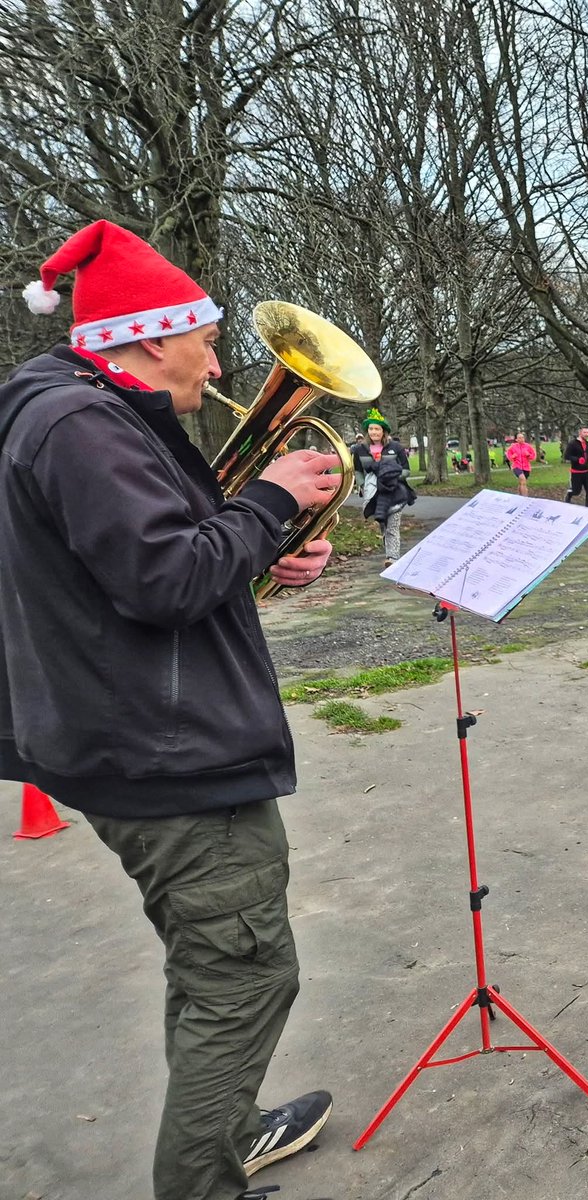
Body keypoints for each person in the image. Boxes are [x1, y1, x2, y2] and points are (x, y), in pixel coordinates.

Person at [2, 221, 336, 1200]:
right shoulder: (82, 426)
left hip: (141, 737)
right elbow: (161, 577)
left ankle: (229, 1127)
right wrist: (270, 503)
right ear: (152, 339)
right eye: (208, 338)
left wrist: (264, 547)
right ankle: (204, 1179)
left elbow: (154, 561)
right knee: (244, 981)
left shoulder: (79, 413)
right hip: (165, 758)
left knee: (209, 970)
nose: (223, 360)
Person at [353, 407, 412, 563]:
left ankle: (392, 558)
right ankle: (390, 552)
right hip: (374, 493)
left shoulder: (396, 448)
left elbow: (406, 470)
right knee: (383, 524)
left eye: (377, 429)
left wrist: (392, 477)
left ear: (383, 431)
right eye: (371, 429)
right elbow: (358, 471)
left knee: (393, 526)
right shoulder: (360, 450)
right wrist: (362, 485)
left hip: (395, 491)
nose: (374, 432)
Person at [564, 424, 588, 505]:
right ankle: (569, 495)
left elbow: (587, 455)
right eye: (584, 432)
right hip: (576, 472)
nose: (586, 434)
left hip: (587, 471)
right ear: (580, 433)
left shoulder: (587, 444)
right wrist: (577, 459)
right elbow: (567, 456)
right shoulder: (572, 444)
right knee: (576, 491)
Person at [505, 430, 537, 496]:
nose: (521, 439)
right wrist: (512, 456)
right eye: (519, 438)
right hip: (517, 466)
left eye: (522, 437)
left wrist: (528, 455)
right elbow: (508, 455)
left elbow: (533, 456)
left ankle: (519, 496)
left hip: (526, 467)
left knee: (521, 482)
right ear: (516, 439)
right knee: (523, 480)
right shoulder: (513, 447)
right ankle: (525, 498)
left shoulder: (528, 446)